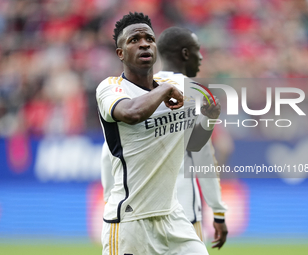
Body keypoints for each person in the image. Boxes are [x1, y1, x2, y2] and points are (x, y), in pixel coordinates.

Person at [96, 12, 220, 255]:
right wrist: (163, 91)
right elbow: (131, 113)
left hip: (173, 217)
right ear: (120, 53)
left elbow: (208, 107)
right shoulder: (110, 88)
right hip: (130, 222)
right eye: (134, 40)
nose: (144, 43)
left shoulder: (178, 87)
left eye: (149, 38)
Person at [155, 26, 228, 250]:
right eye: (197, 50)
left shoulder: (134, 90)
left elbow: (113, 152)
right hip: (184, 213)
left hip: (141, 214)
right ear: (186, 54)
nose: (201, 56)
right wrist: (218, 211)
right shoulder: (199, 95)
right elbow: (202, 157)